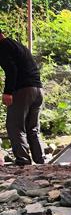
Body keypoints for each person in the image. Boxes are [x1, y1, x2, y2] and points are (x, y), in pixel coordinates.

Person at [0, 29, 44, 166]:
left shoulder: (3, 47)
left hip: (23, 90)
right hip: (38, 89)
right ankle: (40, 159)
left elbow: (11, 70)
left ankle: (23, 160)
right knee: (32, 128)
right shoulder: (17, 45)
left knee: (14, 125)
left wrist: (8, 92)